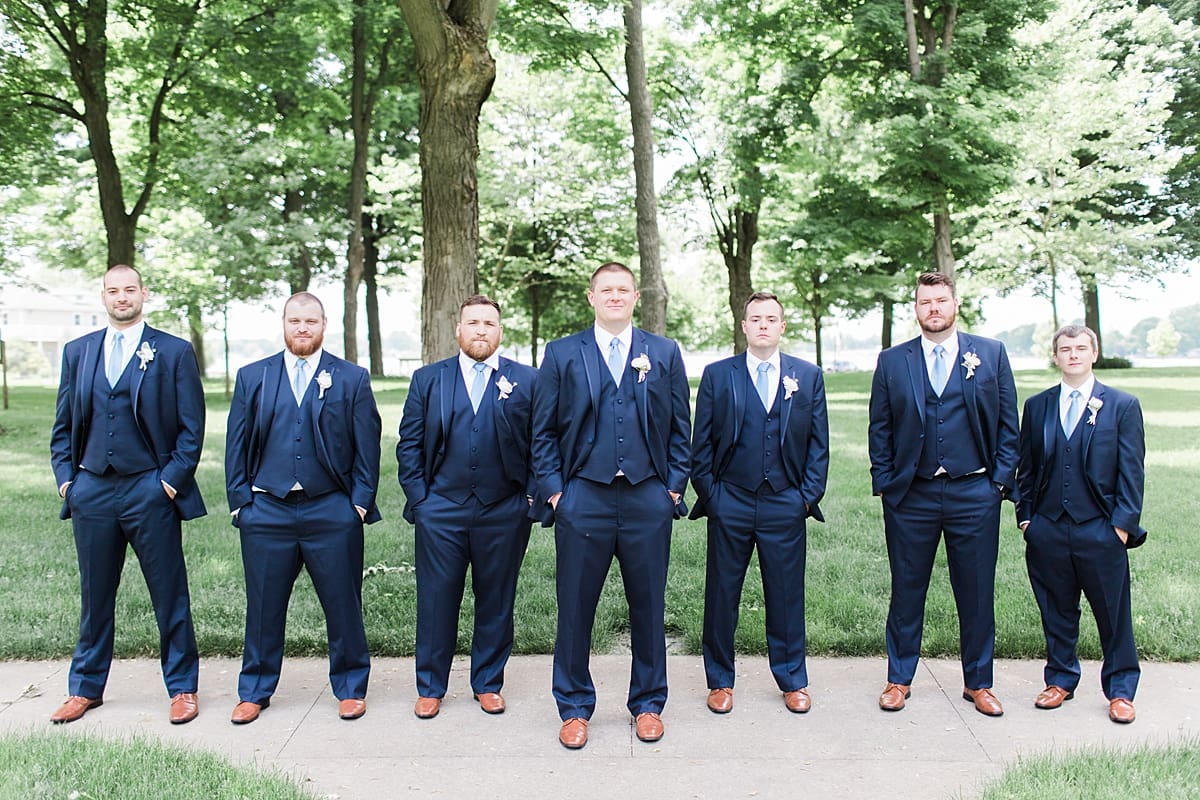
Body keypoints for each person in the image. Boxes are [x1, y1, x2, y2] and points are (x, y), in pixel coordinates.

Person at [531, 262, 690, 750]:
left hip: (647, 497)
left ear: (636, 296)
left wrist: (673, 489)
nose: (615, 296)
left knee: (648, 606)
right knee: (575, 608)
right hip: (584, 496)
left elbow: (682, 426)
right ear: (591, 297)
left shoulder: (662, 352)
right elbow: (543, 431)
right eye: (607, 290)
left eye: (624, 289)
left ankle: (647, 704)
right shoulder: (561, 353)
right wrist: (558, 492)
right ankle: (574, 707)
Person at [49, 264, 206, 725]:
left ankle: (181, 688)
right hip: (92, 487)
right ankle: (85, 688)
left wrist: (167, 483)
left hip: (148, 487)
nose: (122, 297)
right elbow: (63, 426)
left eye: (130, 290)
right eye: (114, 291)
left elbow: (191, 430)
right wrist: (67, 481)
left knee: (169, 592)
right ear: (103, 297)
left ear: (144, 294)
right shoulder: (78, 352)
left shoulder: (173, 351)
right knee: (95, 595)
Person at [224, 292, 381, 724]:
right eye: (295, 320)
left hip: (331, 510)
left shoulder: (350, 378)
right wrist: (242, 504)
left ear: (324, 324)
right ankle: (254, 689)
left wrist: (359, 506)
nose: (303, 328)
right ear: (284, 323)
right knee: (262, 608)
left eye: (311, 321)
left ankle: (350, 687)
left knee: (343, 604)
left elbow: (367, 449)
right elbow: (235, 446)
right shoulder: (253, 376)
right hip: (267, 510)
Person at [867, 271, 1018, 717]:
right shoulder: (893, 361)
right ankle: (899, 678)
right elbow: (880, 427)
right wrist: (886, 484)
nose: (933, 309)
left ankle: (979, 682)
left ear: (955, 304)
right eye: (924, 302)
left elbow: (1009, 426)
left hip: (975, 491)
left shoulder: (989, 354)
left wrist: (998, 485)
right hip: (911, 495)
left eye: (940, 301)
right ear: (915, 309)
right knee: (907, 588)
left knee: (975, 591)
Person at [397, 295, 541, 719]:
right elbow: (409, 445)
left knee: (497, 598)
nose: (481, 330)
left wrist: (528, 498)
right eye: (473, 322)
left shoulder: (527, 381)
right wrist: (421, 500)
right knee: (437, 598)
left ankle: (488, 682)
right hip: (440, 508)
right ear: (457, 330)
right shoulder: (428, 380)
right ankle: (430, 685)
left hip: (504, 508)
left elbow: (541, 444)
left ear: (500, 332)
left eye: (489, 323)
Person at [690, 291, 829, 715]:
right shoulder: (718, 375)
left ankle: (792, 679)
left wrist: (805, 499)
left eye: (772, 318)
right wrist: (712, 497)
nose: (764, 324)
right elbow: (703, 445)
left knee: (787, 595)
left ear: (782, 327)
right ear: (744, 326)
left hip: (785, 503)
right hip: (729, 500)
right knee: (721, 595)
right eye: (756, 318)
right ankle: (719, 680)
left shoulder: (808, 376)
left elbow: (818, 447)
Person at [1016, 325, 1146, 724]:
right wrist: (1026, 519)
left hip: (1100, 528)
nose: (1073, 355)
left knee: (1112, 613)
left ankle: (1121, 690)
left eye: (1080, 348)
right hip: (1048, 527)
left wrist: (1120, 528)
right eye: (1065, 349)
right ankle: (1060, 679)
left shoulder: (1121, 405)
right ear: (1055, 356)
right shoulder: (1037, 406)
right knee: (1056, 610)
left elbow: (1131, 471)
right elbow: (1027, 467)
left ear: (1094, 353)